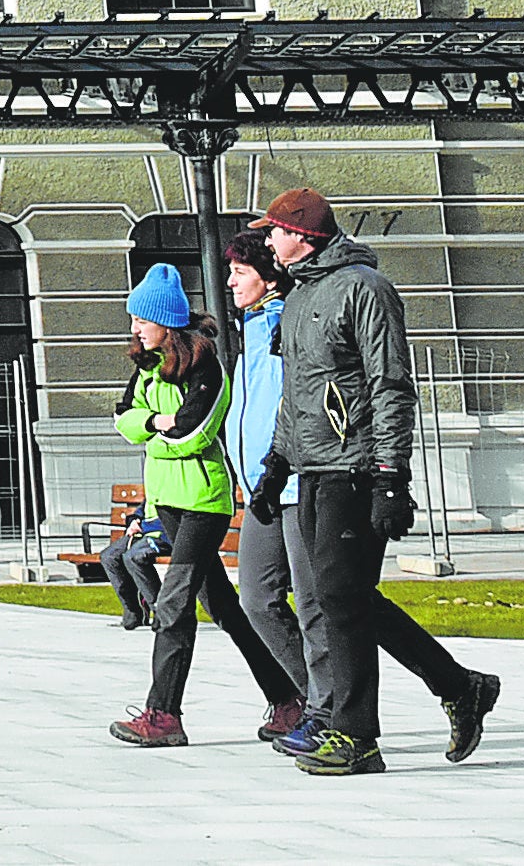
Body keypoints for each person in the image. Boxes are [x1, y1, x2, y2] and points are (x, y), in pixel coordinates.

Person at [247, 188, 501, 775]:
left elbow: (390, 385)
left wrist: (391, 476)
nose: (267, 242)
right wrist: (276, 463)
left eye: (275, 232)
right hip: (311, 469)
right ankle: (460, 686)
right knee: (346, 598)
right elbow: (298, 394)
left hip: (356, 466)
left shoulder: (364, 289)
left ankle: (356, 737)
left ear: (303, 235)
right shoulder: (299, 295)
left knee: (339, 598)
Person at [103, 265, 299, 748]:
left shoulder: (207, 367)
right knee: (225, 609)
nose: (134, 329)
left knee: (172, 604)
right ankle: (288, 699)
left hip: (203, 502)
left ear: (165, 323)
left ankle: (164, 715)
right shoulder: (145, 367)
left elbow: (194, 431)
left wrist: (154, 430)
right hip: (167, 499)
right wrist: (156, 422)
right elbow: (123, 420)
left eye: (141, 320)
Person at [221, 228, 310, 745]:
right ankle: (313, 699)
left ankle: (335, 710)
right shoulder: (253, 326)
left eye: (240, 271)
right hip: (260, 490)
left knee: (324, 603)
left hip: (295, 485)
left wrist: (278, 464)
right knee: (256, 599)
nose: (230, 280)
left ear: (268, 277)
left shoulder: (283, 324)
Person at [96, 504, 166, 629]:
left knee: (134, 557)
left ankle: (160, 611)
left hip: (164, 533)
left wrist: (145, 526)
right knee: (109, 557)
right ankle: (132, 609)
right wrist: (135, 519)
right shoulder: (155, 486)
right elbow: (146, 506)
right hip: (144, 531)